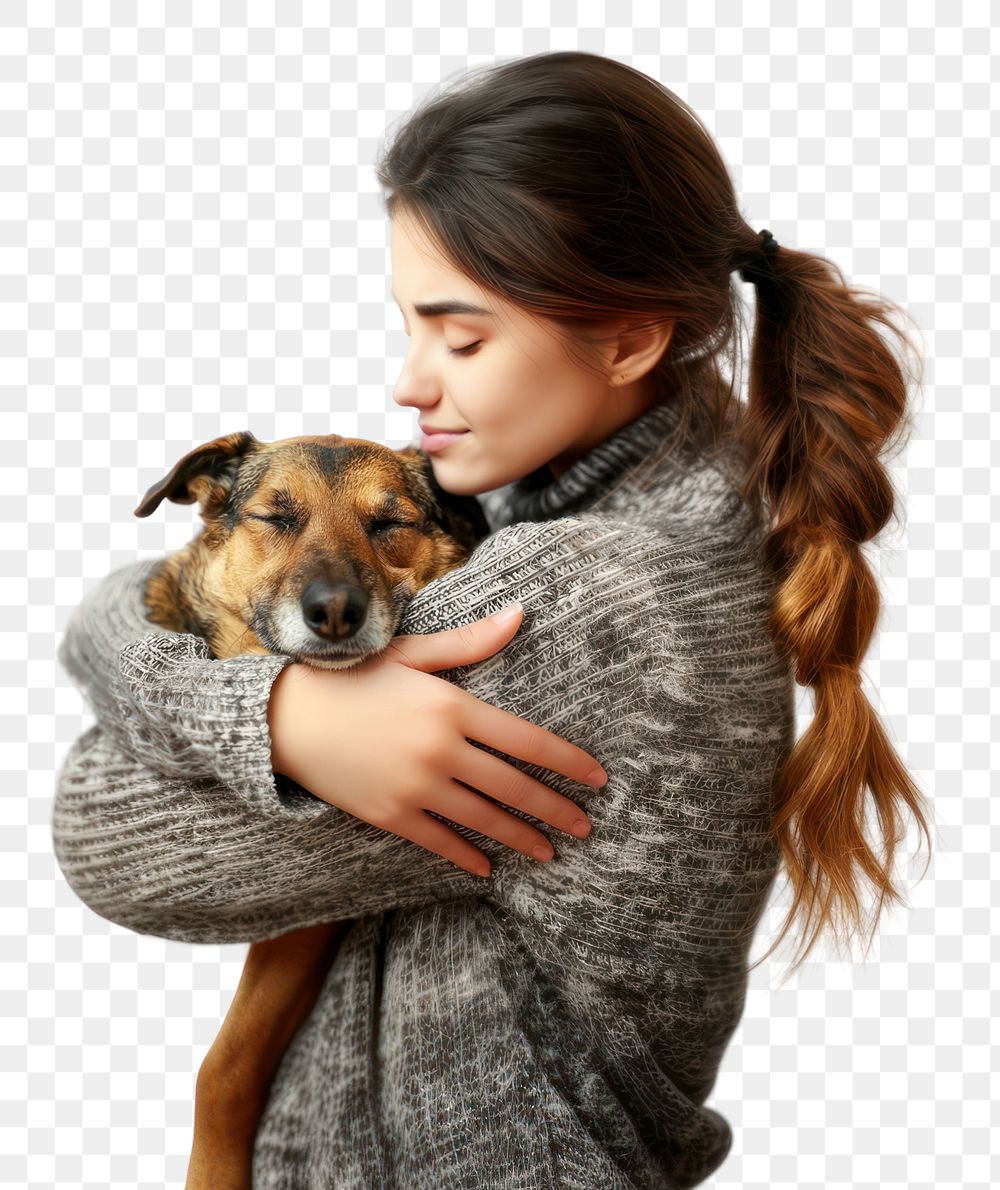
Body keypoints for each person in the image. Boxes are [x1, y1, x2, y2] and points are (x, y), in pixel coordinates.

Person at [52, 50, 932, 1189]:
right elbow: (151, 606)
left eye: (459, 337)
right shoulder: (546, 519)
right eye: (408, 327)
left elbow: (105, 839)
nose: (410, 382)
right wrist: (244, 694)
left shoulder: (581, 603)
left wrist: (247, 702)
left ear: (626, 339)